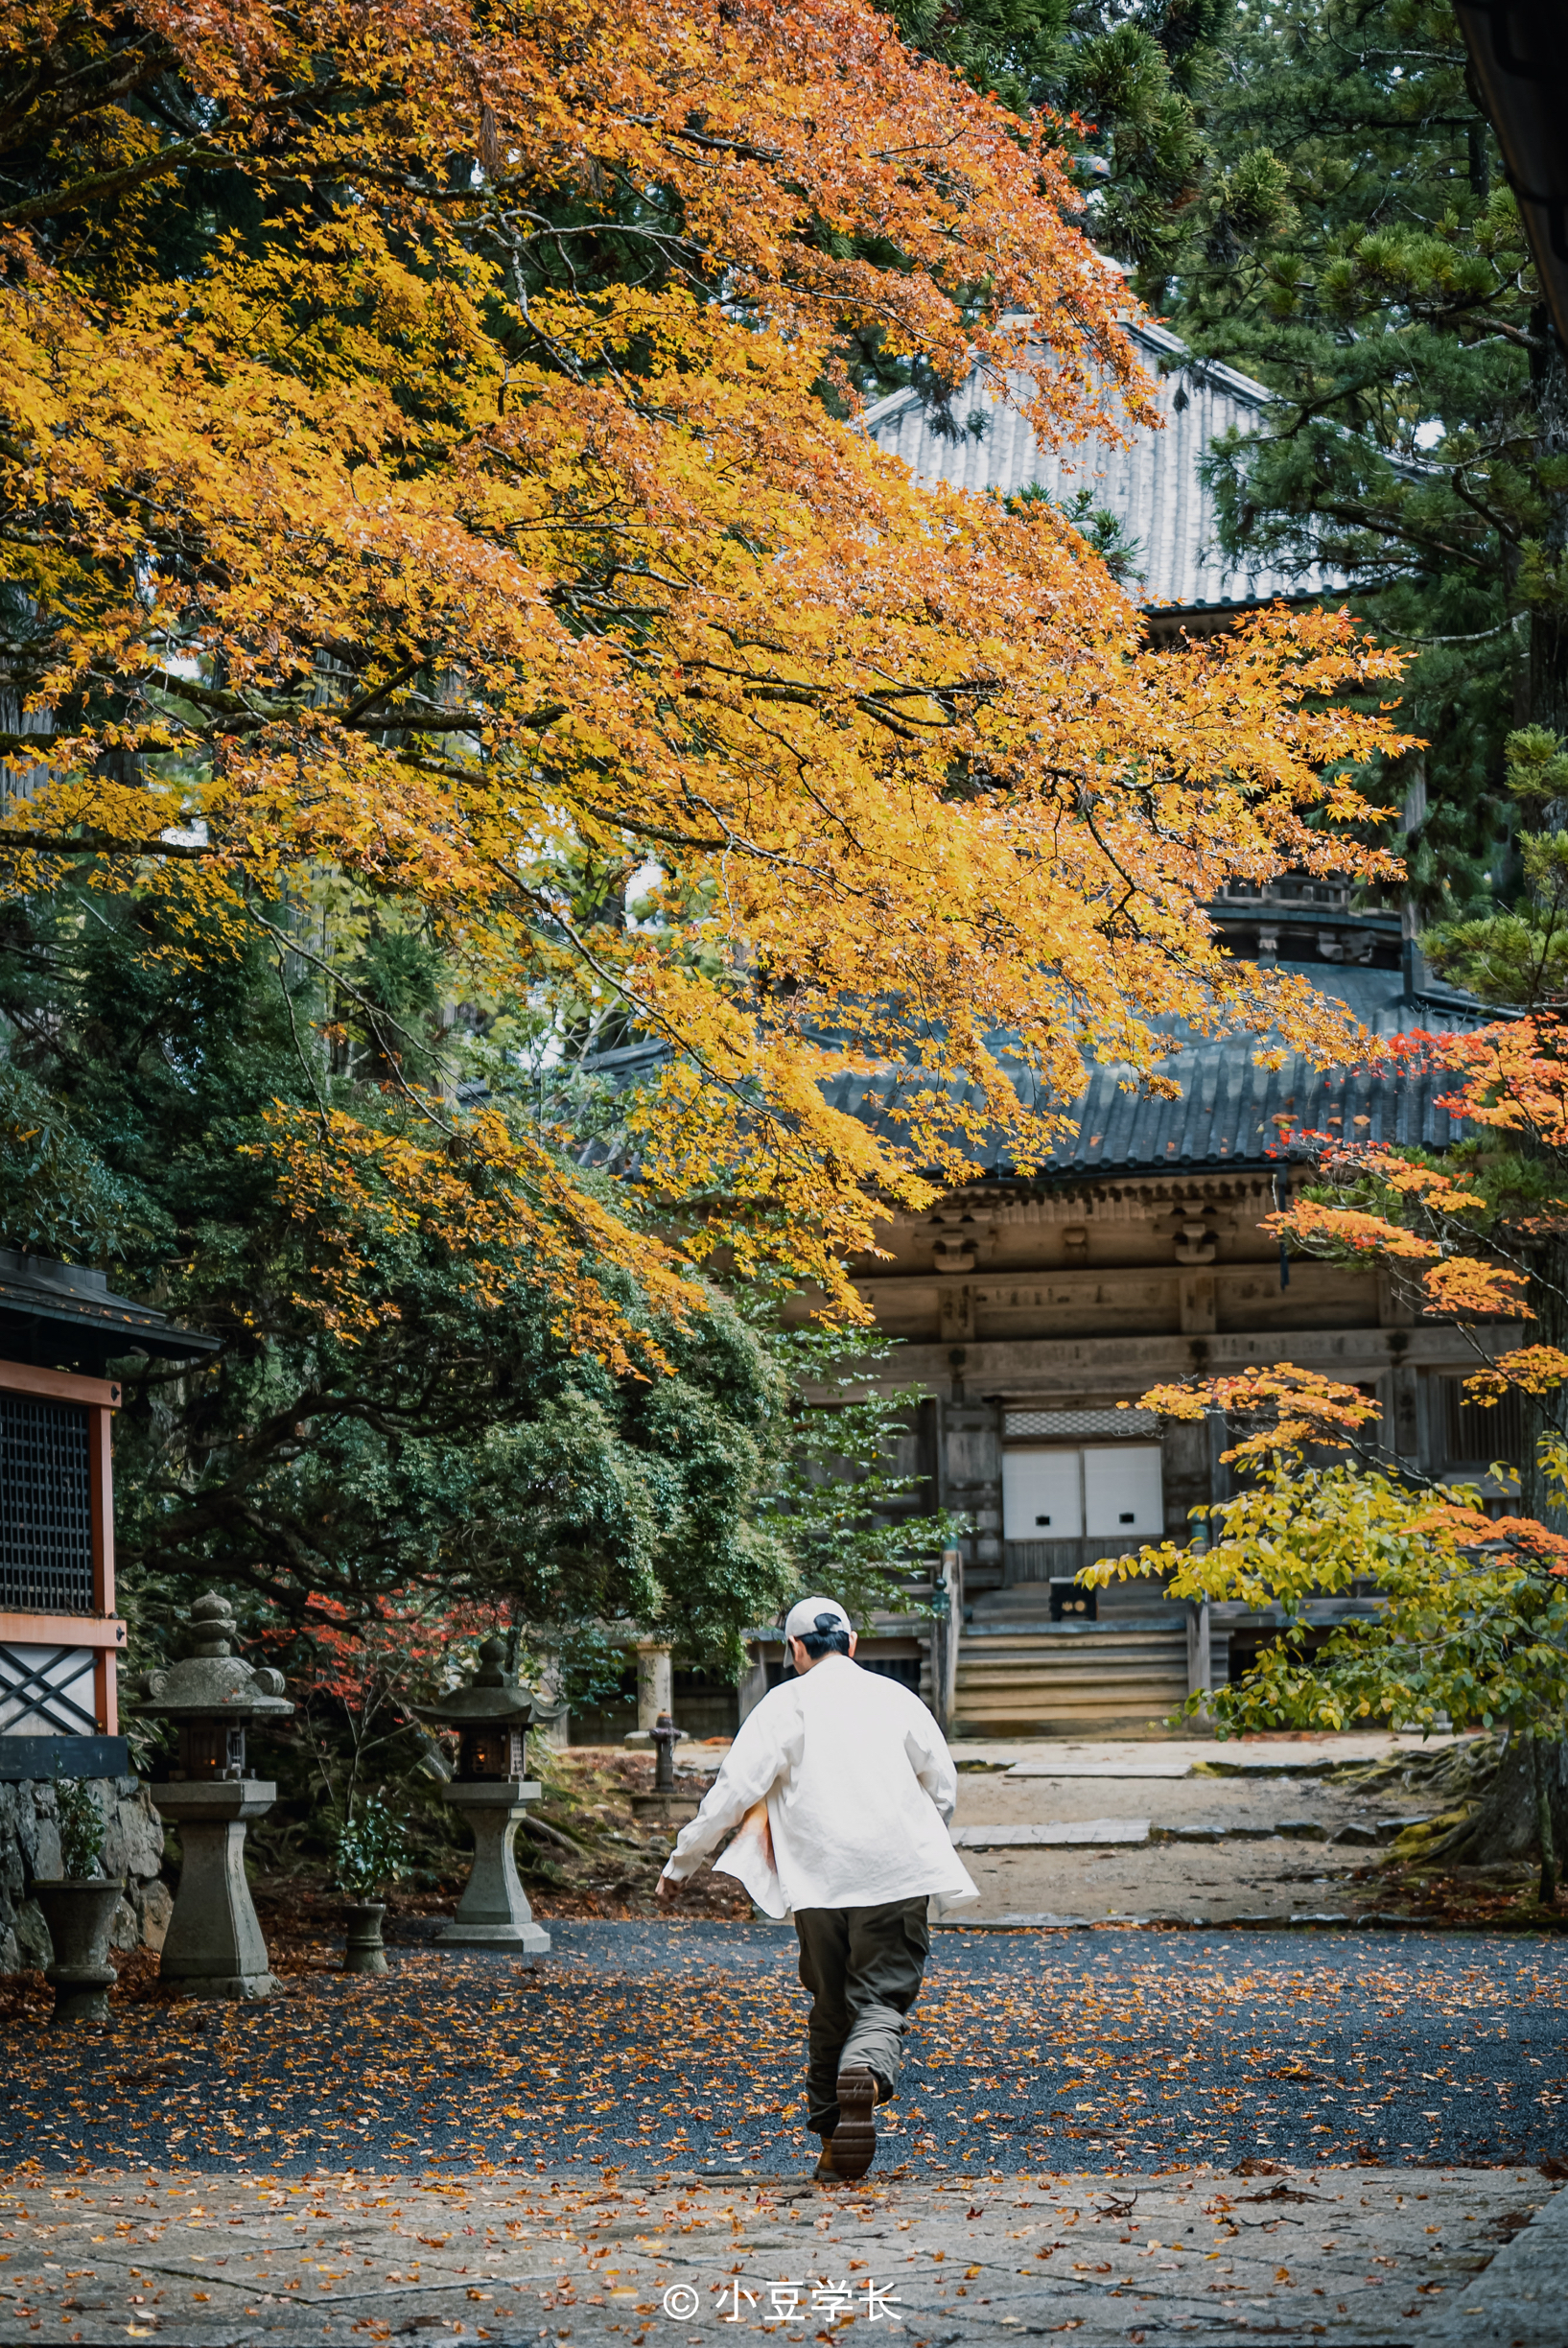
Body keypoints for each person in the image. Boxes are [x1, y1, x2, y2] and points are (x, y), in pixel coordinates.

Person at [657, 1595, 976, 2179]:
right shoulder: (895, 1698)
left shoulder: (785, 1704)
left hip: (818, 1883)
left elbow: (731, 1793)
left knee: (830, 2006)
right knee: (880, 1996)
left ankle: (834, 2146)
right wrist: (919, 1836)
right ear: (852, 1645)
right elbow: (942, 1785)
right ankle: (865, 2069)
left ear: (796, 1650)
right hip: (894, 1877)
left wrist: (682, 1862)